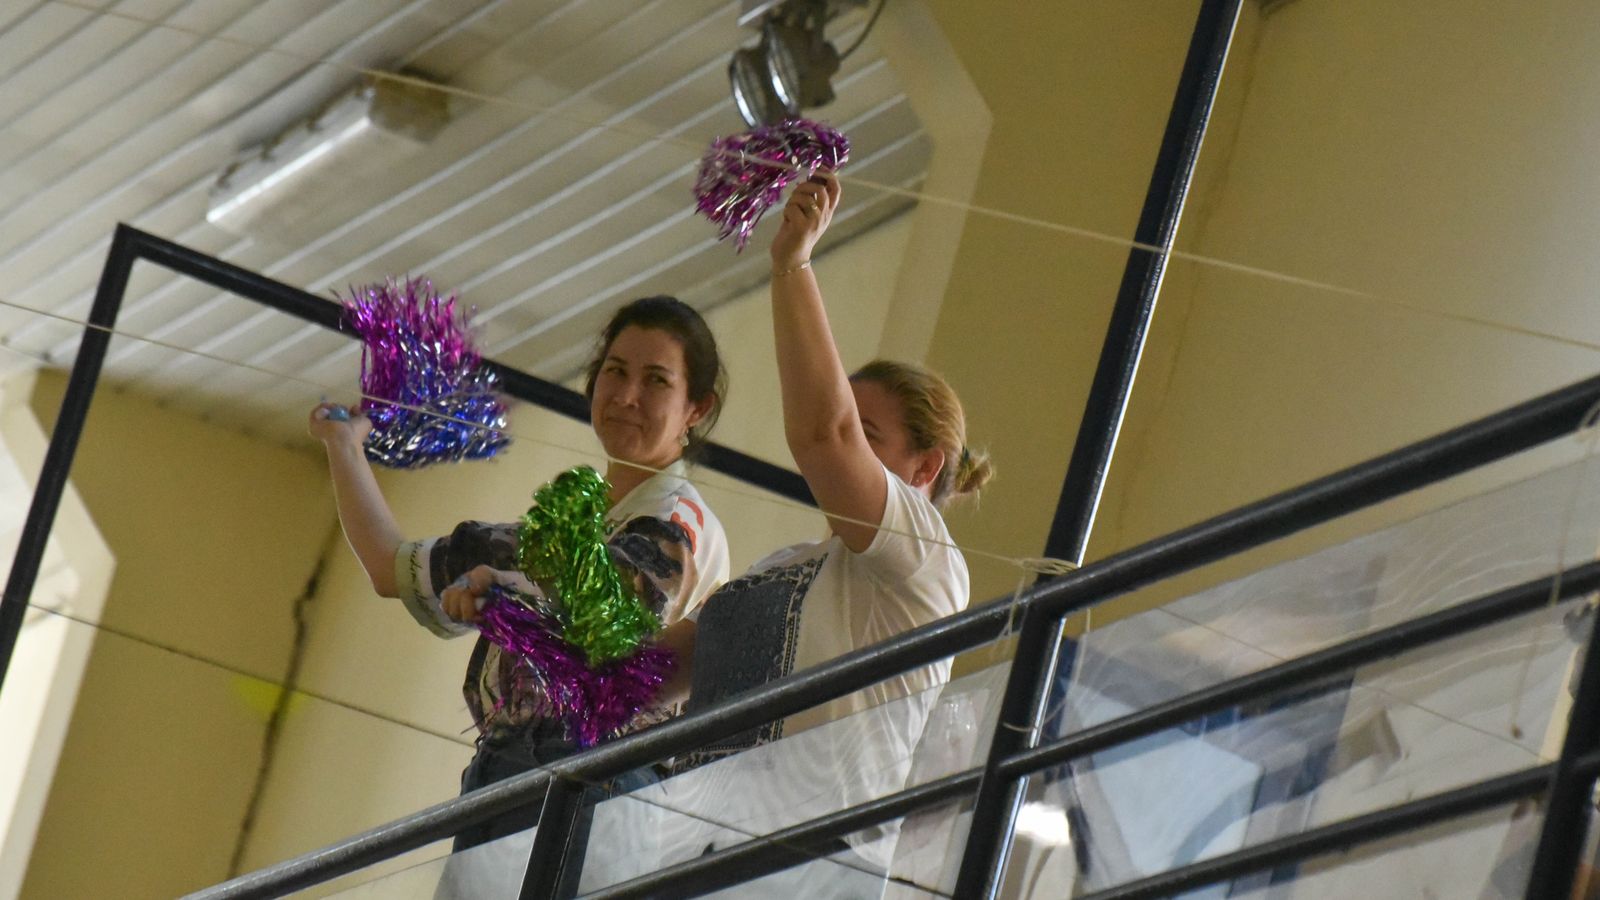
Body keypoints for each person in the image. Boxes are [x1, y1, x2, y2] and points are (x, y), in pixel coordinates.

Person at [308, 295, 731, 853]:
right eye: (615, 371)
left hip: (601, 776)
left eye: (656, 381)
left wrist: (501, 592)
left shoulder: (677, 521)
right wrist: (343, 446)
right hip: (502, 770)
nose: (627, 396)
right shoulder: (555, 532)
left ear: (696, 408)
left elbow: (610, 631)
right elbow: (390, 568)